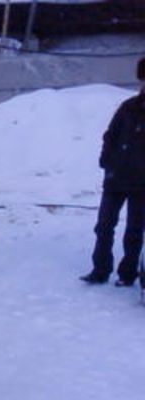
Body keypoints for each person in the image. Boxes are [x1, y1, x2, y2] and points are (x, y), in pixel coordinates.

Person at [81, 57, 145, 287]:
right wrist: (107, 161)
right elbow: (111, 135)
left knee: (134, 231)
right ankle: (100, 270)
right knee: (104, 226)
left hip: (142, 183)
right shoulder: (128, 107)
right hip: (116, 177)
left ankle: (128, 274)